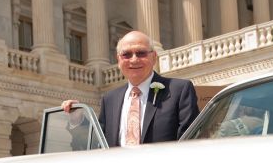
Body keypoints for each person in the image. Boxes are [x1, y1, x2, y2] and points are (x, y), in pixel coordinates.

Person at [62, 30, 199, 146]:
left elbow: (190, 141)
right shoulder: (110, 99)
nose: (134, 60)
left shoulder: (179, 90)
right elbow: (97, 145)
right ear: (119, 60)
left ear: (154, 57)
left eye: (141, 53)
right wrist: (77, 120)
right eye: (126, 54)